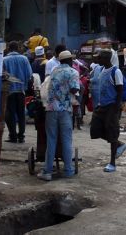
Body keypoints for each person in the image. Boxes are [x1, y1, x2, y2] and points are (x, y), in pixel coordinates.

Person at [36, 50, 78, 181]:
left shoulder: (53, 71)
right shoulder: (73, 72)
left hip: (51, 108)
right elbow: (75, 89)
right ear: (70, 60)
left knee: (51, 139)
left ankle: (47, 171)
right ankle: (68, 170)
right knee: (66, 140)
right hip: (65, 109)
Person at [90, 49, 126, 173]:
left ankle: (112, 163)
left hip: (112, 106)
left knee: (111, 131)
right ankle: (118, 144)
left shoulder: (115, 71)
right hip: (102, 105)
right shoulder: (101, 70)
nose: (97, 60)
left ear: (106, 59)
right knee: (95, 129)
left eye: (99, 58)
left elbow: (120, 90)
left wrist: (116, 108)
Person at [3, 41, 33, 144]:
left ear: (9, 48)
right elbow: (29, 75)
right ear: (18, 48)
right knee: (21, 114)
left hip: (9, 91)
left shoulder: (4, 60)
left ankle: (13, 136)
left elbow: (2, 76)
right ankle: (21, 136)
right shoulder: (24, 59)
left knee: (10, 113)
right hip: (21, 91)